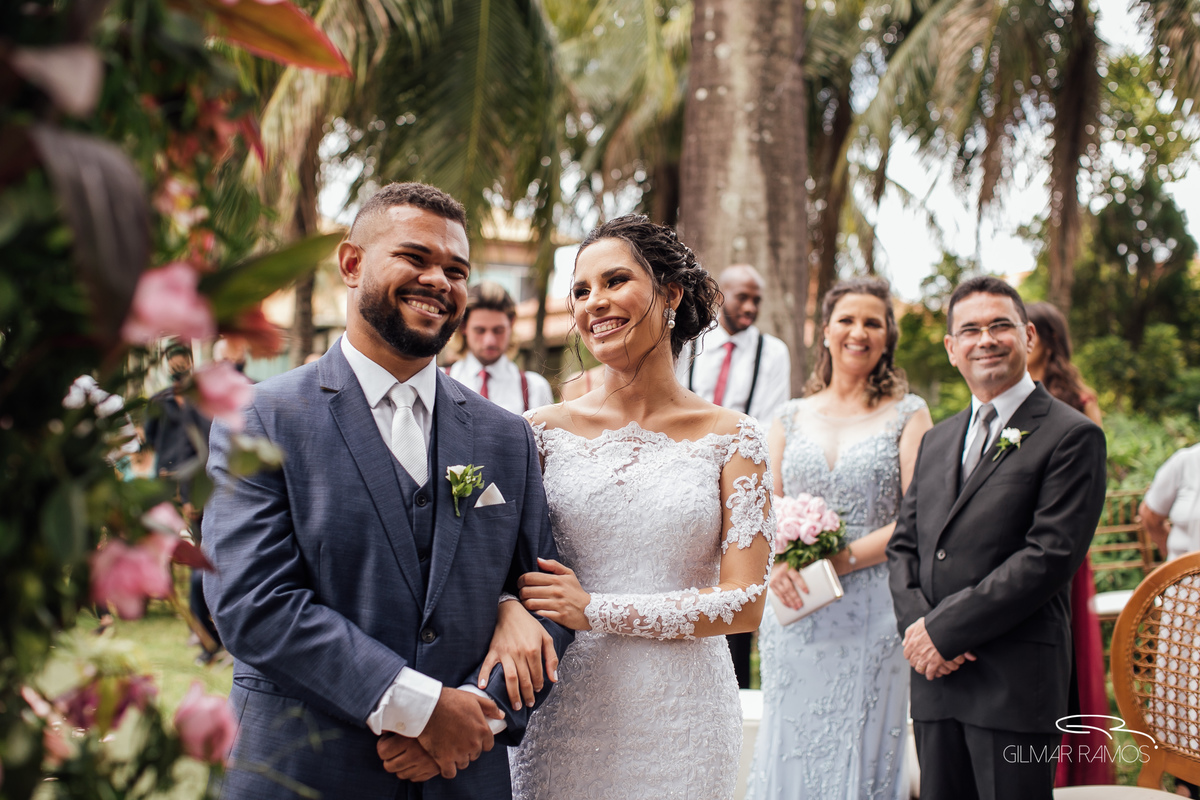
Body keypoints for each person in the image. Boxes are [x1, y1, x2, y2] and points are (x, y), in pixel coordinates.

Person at [202, 182, 573, 799]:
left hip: (460, 777)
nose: (439, 280)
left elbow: (546, 595)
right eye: (416, 258)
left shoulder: (505, 436)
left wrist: (479, 713)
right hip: (303, 771)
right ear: (352, 264)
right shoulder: (262, 416)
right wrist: (424, 709)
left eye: (456, 270)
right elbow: (252, 602)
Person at [500, 215, 775, 798]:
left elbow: (747, 604)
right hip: (559, 716)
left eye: (615, 281)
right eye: (581, 290)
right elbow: (498, 566)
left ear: (670, 292)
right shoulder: (536, 433)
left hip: (685, 722)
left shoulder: (735, 438)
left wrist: (594, 610)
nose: (594, 302)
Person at [886, 276, 1108, 800]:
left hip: (1013, 681)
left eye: (1000, 325)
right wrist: (921, 630)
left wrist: (946, 631)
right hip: (937, 679)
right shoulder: (939, 438)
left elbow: (1048, 557)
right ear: (951, 348)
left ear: (1028, 336)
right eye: (970, 329)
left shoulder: (1072, 436)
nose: (985, 339)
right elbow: (904, 546)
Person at [745, 277, 932, 799]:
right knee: (791, 738)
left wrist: (840, 561)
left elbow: (916, 517)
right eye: (847, 319)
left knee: (863, 740)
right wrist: (778, 565)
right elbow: (762, 513)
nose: (859, 331)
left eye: (873, 322)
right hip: (796, 608)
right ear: (826, 330)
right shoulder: (786, 417)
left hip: (873, 609)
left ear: (887, 336)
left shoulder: (909, 413)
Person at [675, 263, 791, 687]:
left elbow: (767, 419)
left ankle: (733, 689)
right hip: (684, 469)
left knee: (736, 585)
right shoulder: (689, 345)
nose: (750, 307)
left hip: (739, 471)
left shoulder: (772, 352)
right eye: (742, 297)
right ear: (719, 296)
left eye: (757, 300)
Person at [1025, 301, 1112, 787]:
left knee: (1069, 658)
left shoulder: (1079, 400)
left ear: (1047, 338)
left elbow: (1088, 487)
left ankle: (1075, 774)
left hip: (1065, 555)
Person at [144, 344, 219, 662]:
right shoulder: (158, 401)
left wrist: (192, 496)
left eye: (182, 361)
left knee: (201, 557)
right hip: (166, 483)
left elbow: (202, 448)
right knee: (169, 550)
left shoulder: (200, 402)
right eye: (172, 362)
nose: (178, 366)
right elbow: (150, 438)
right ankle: (199, 629)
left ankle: (206, 633)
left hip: (196, 486)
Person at [446, 281, 553, 414]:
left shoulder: (535, 388)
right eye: (480, 330)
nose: (490, 341)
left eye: (498, 330)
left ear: (511, 324)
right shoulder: (440, 382)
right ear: (463, 327)